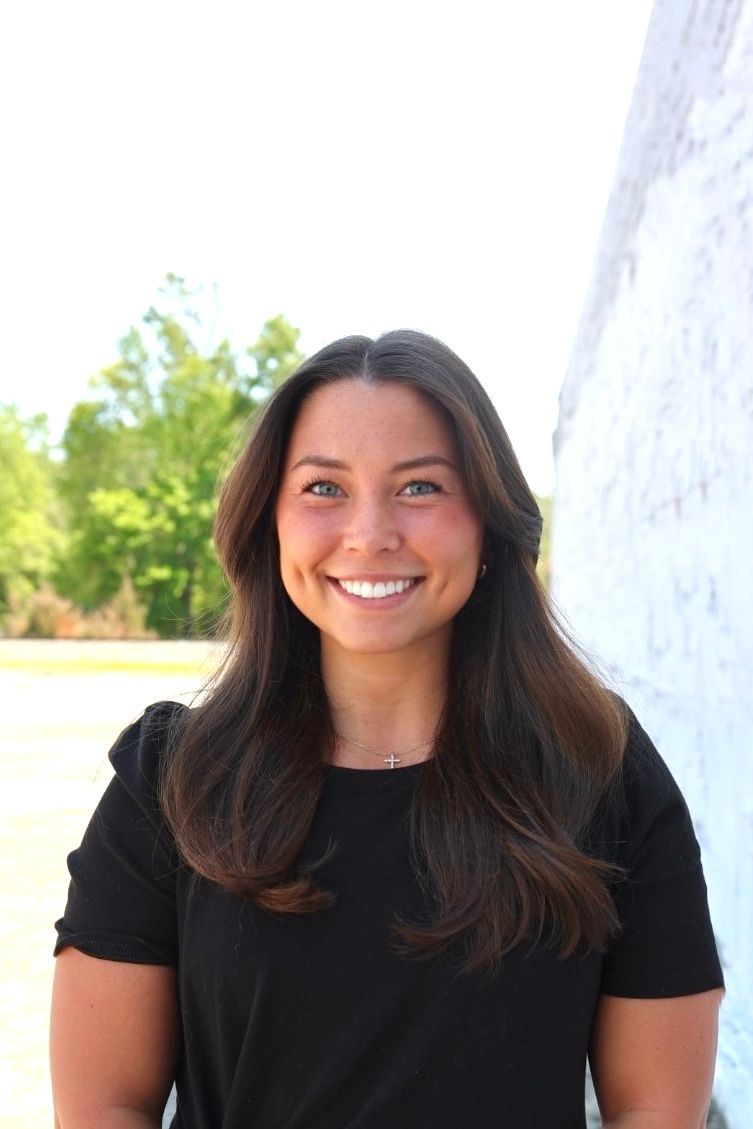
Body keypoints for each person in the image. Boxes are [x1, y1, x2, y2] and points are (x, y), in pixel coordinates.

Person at [50, 330, 724, 1129]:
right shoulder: (171, 779)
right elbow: (106, 1105)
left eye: (419, 487)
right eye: (324, 489)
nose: (369, 533)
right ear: (270, 521)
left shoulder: (597, 768)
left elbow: (655, 1110)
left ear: (489, 525)